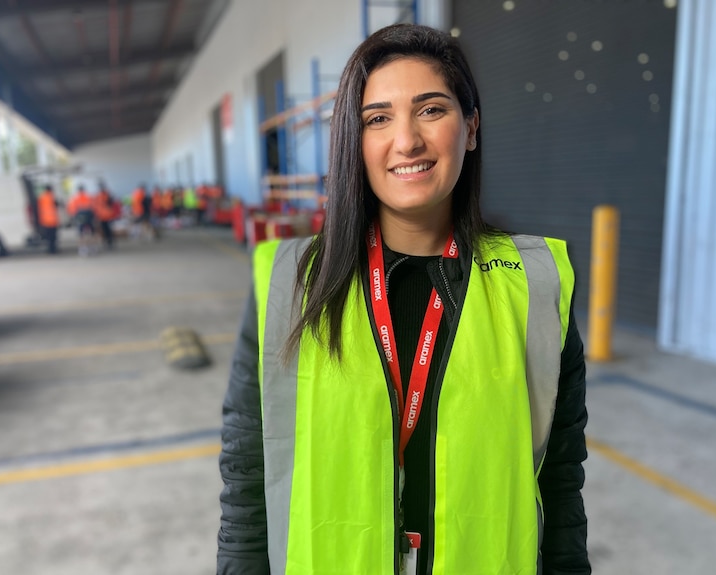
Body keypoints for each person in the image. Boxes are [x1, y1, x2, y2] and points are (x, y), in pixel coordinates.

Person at [218, 23, 589, 575]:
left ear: (471, 129)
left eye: (432, 110)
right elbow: (248, 477)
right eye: (377, 119)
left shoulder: (533, 283)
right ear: (354, 140)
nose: (407, 140)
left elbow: (559, 479)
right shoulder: (291, 283)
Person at [67, 185, 97, 256]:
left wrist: (74, 217)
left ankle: (83, 249)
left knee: (81, 234)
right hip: (89, 216)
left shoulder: (75, 198)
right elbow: (94, 207)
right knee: (91, 233)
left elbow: (71, 209)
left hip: (80, 216)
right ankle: (92, 248)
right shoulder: (89, 197)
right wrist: (94, 216)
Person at [37, 185, 60, 254]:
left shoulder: (41, 197)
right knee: (53, 237)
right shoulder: (52, 197)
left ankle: (50, 249)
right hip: (53, 221)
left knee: (48, 237)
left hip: (45, 221)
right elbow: (56, 205)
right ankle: (53, 249)